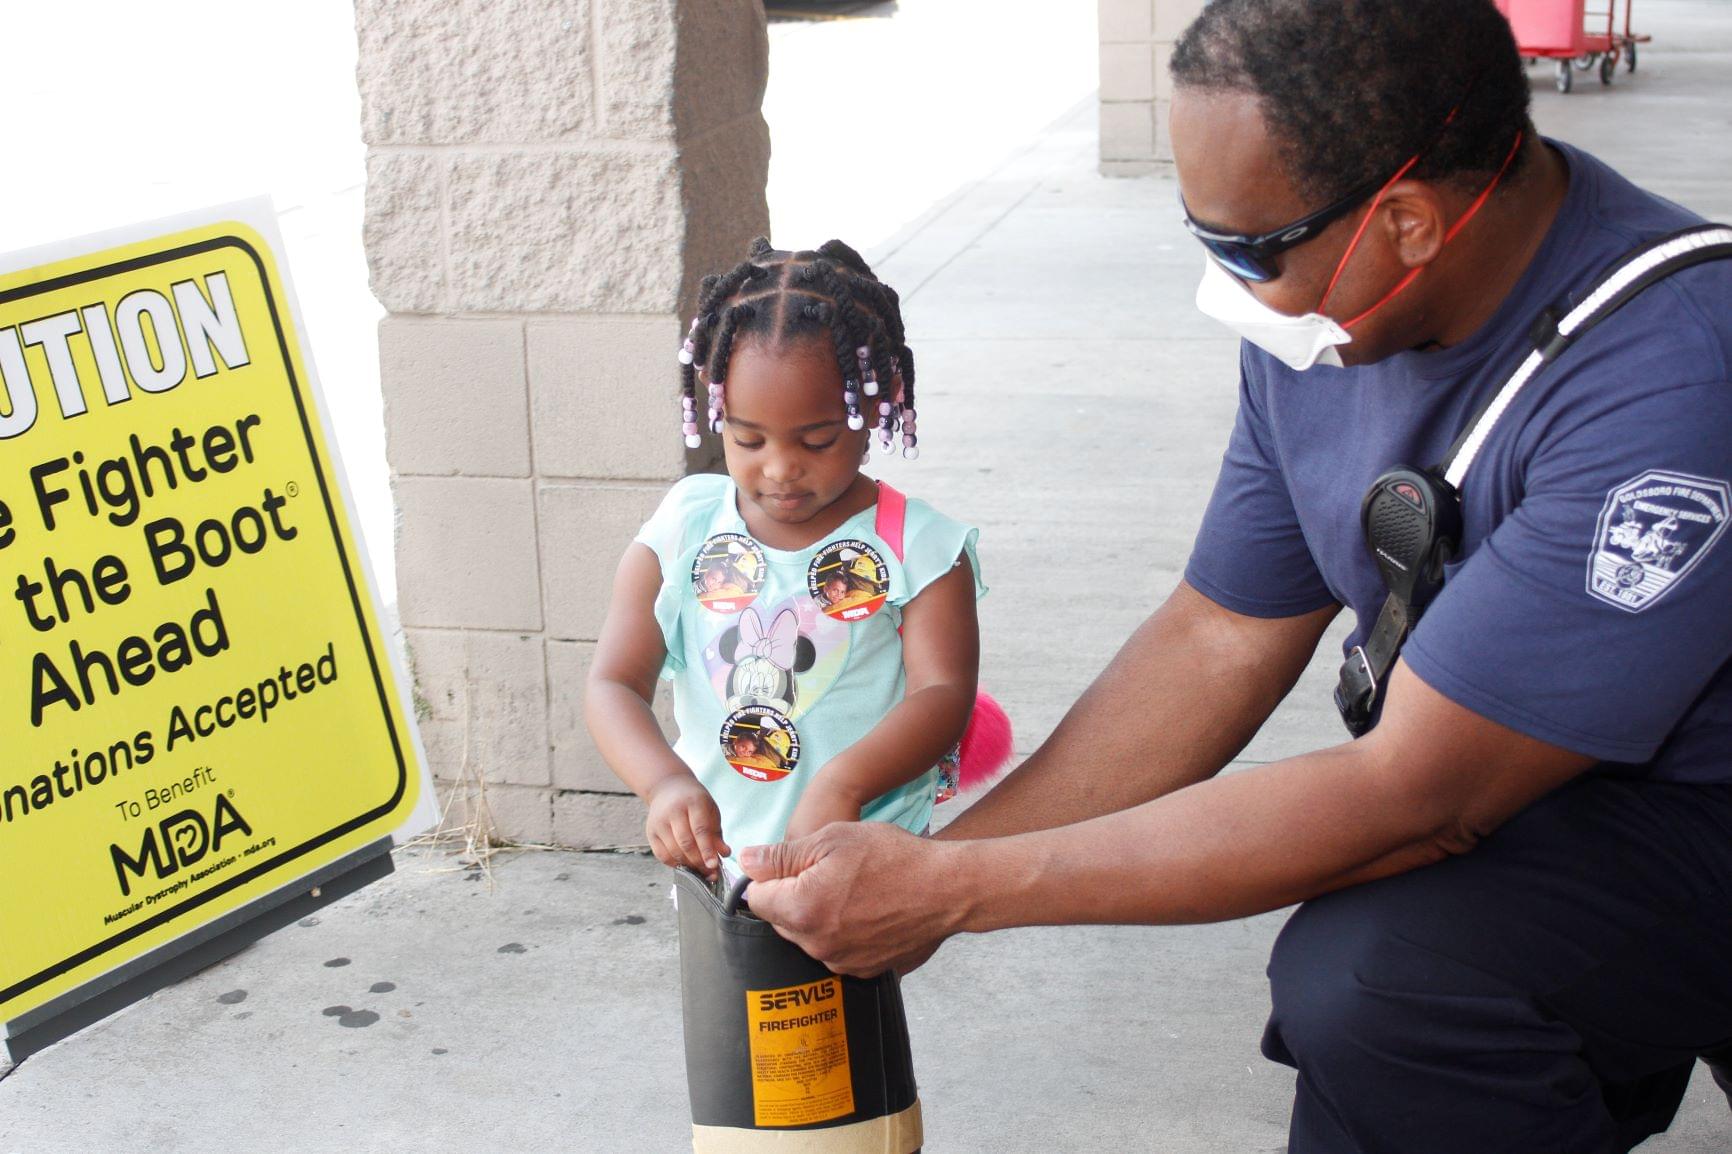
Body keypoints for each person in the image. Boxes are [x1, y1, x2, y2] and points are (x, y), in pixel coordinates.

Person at [735, 3, 1732, 1152]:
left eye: (1248, 250)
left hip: (1688, 806)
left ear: (1405, 220)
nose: (1230, 289)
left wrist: (964, 891)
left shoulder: (1669, 375)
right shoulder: (1324, 326)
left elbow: (1419, 797)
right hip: (1552, 777)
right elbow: (1219, 632)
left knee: (1385, 979)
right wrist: (932, 867)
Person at [585, 237, 984, 880]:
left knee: (851, 985)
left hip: (863, 853)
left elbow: (943, 692)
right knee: (729, 985)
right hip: (718, 863)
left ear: (875, 405)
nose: (780, 468)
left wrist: (846, 783)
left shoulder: (920, 547)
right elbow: (613, 683)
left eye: (818, 439)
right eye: (747, 438)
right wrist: (663, 783)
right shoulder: (685, 528)